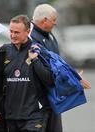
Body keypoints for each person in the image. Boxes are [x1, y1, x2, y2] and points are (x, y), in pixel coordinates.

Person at [0, 15, 55, 132]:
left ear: (28, 31)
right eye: (11, 31)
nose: (12, 35)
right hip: (11, 116)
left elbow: (49, 79)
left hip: (35, 115)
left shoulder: (39, 50)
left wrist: (35, 60)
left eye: (17, 32)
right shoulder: (4, 51)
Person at [30, 4, 62, 132]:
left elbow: (57, 61)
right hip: (39, 98)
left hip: (53, 96)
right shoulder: (30, 37)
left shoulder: (50, 35)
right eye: (53, 20)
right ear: (44, 20)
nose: (55, 23)